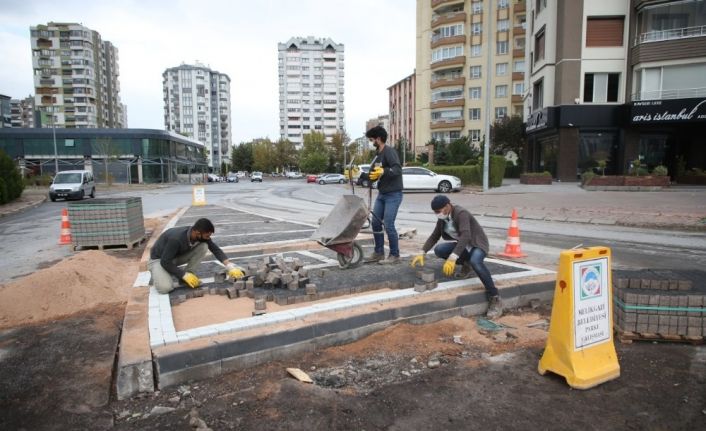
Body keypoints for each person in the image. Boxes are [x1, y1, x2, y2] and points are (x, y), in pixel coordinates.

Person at [410, 195, 502, 318]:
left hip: (477, 244)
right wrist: (422, 252)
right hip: (463, 246)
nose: (437, 214)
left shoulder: (461, 213)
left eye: (438, 211)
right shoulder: (442, 218)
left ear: (448, 206)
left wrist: (453, 258)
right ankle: (466, 264)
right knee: (440, 250)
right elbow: (434, 236)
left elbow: (466, 236)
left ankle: (494, 297)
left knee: (476, 262)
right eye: (435, 212)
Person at [148, 218, 244, 294]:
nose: (208, 238)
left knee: (203, 246)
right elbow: (165, 261)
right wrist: (183, 275)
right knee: (165, 288)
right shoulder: (176, 239)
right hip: (159, 259)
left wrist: (230, 266)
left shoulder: (200, 235)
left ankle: (187, 276)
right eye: (207, 236)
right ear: (197, 233)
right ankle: (161, 272)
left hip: (175, 257)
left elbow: (215, 249)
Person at [365, 125, 403, 265]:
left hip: (393, 194)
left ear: (379, 139)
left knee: (388, 224)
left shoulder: (389, 152)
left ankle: (395, 255)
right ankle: (379, 252)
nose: (371, 142)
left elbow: (397, 170)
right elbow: (372, 174)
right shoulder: (377, 155)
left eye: (372, 139)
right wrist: (359, 175)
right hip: (382, 194)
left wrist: (384, 171)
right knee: (375, 223)